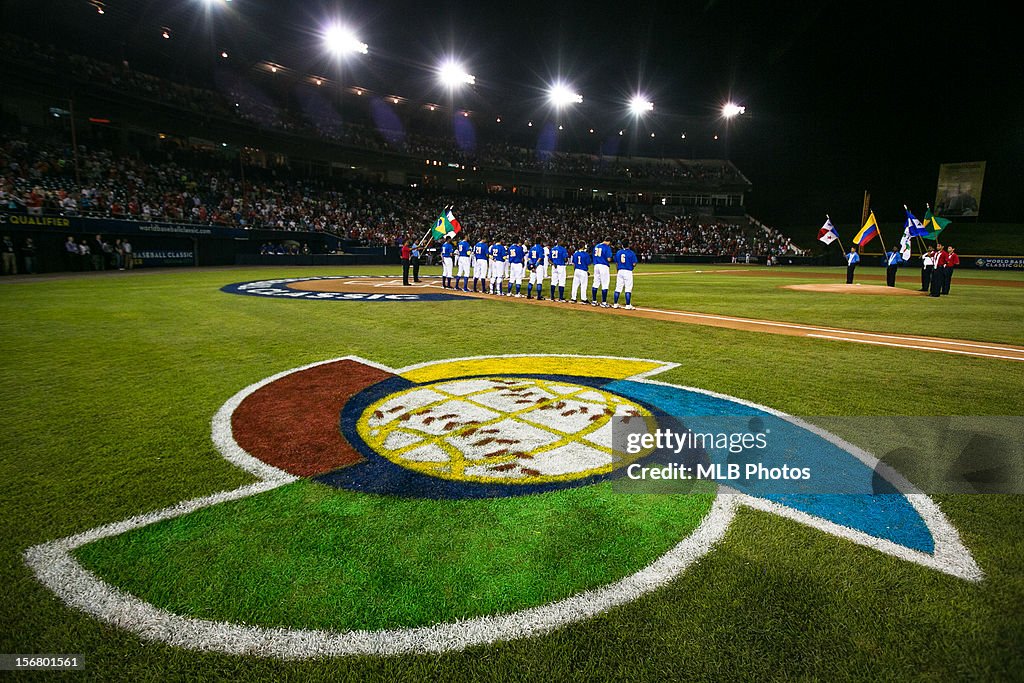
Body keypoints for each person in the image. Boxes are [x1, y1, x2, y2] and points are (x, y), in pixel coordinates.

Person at [613, 242, 639, 309]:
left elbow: (616, 262)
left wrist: (617, 270)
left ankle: (615, 304)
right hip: (628, 271)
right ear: (629, 245)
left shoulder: (618, 252)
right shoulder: (631, 253)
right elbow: (634, 264)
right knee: (628, 288)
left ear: (622, 245)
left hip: (620, 271)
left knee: (618, 288)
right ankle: (628, 305)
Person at [591, 238, 613, 307]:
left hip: (596, 265)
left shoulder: (596, 246)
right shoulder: (607, 247)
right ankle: (603, 302)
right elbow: (608, 259)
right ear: (609, 241)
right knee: (605, 283)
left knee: (595, 283)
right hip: (603, 266)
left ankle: (594, 301)